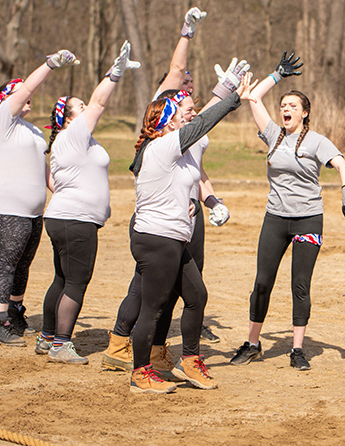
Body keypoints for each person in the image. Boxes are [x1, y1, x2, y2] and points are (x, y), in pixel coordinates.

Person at [101, 7, 227, 376]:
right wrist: (186, 33)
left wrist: (211, 199)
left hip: (184, 211)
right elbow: (175, 72)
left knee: (181, 286)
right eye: (183, 87)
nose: (189, 87)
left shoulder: (188, 127)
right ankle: (125, 344)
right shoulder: (164, 128)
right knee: (148, 287)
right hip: (158, 220)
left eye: (190, 86)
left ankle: (154, 350)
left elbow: (197, 170)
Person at [126, 66, 254, 393]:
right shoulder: (163, 145)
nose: (190, 116)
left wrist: (199, 201)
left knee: (196, 295)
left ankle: (190, 361)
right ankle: (141, 373)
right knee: (153, 308)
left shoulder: (178, 152)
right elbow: (204, 121)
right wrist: (234, 97)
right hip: (157, 240)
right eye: (184, 113)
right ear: (170, 121)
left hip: (173, 238)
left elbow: (199, 130)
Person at [229, 51, 345, 371]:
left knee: (300, 285)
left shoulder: (316, 141)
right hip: (275, 218)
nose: (286, 110)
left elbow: (341, 164)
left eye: (292, 107)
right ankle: (253, 343)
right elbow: (254, 97)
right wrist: (277, 75)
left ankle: (297, 349)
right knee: (262, 282)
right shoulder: (272, 135)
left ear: (304, 113)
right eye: (283, 106)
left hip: (308, 219)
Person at [37, 41, 139, 364]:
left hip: (66, 217)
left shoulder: (72, 141)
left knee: (62, 280)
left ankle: (47, 337)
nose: (86, 110)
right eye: (78, 108)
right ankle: (60, 344)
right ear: (69, 118)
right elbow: (98, 101)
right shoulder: (74, 135)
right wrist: (114, 74)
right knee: (76, 282)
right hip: (75, 220)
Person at [0, 51, 76, 347]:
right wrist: (49, 65)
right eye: (22, 92)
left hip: (35, 210)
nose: (29, 96)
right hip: (8, 208)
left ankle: (15, 311)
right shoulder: (2, 121)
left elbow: (43, 167)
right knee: (6, 264)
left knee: (23, 264)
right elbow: (27, 88)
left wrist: (62, 191)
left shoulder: (33, 131)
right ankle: (0, 324)